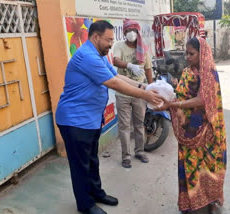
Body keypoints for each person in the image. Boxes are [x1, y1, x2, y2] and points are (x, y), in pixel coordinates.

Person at [55, 20, 162, 214]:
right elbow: (113, 83)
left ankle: (97, 193)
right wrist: (146, 96)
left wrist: (144, 86)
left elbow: (117, 76)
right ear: (96, 37)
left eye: (113, 40)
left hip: (91, 119)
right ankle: (85, 205)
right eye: (108, 40)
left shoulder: (100, 54)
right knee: (80, 165)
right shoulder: (87, 56)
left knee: (92, 160)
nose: (111, 44)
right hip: (75, 120)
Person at [155, 37, 227, 214]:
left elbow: (203, 100)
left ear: (202, 54)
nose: (187, 56)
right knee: (190, 165)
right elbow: (181, 93)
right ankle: (191, 201)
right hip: (188, 130)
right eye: (186, 53)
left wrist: (175, 105)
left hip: (206, 129)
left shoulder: (209, 73)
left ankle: (209, 200)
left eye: (191, 53)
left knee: (209, 166)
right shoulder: (188, 71)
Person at [113, 19, 153, 168]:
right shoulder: (119, 46)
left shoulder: (144, 48)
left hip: (139, 92)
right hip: (122, 91)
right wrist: (129, 65)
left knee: (139, 124)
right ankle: (126, 156)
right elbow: (115, 61)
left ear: (138, 32)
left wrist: (150, 87)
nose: (132, 34)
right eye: (129, 31)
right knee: (124, 126)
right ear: (124, 32)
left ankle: (140, 151)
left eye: (134, 31)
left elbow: (148, 68)